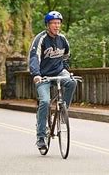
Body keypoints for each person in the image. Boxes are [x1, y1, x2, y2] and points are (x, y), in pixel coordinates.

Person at [29, 11, 77, 150]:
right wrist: (36, 74)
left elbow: (66, 56)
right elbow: (34, 58)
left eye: (58, 23)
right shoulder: (40, 39)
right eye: (54, 23)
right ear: (48, 25)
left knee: (72, 81)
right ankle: (41, 137)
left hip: (58, 72)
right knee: (44, 101)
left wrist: (66, 70)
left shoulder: (62, 39)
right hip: (43, 75)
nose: (57, 26)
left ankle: (63, 110)